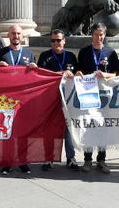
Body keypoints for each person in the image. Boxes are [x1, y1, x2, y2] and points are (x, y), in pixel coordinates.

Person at [75, 23, 119, 174]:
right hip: (88, 95)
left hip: (105, 96)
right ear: (91, 35)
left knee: (103, 128)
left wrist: (107, 75)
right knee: (88, 127)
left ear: (105, 35)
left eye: (101, 35)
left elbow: (117, 73)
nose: (99, 37)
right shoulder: (84, 52)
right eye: (96, 34)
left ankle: (102, 159)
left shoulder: (111, 52)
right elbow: (78, 69)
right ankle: (87, 159)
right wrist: (79, 73)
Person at [0, 24, 37, 174]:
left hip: (23, 100)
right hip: (6, 100)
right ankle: (7, 161)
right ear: (9, 36)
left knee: (23, 131)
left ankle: (22, 161)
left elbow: (35, 77)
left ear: (22, 36)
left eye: (18, 33)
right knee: (7, 131)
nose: (16, 36)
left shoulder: (29, 54)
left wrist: (34, 68)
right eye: (13, 33)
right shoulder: (0, 53)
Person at [37, 29, 79, 171]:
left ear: (64, 41)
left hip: (68, 98)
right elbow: (41, 75)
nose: (56, 43)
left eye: (58, 40)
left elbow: (77, 74)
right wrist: (60, 74)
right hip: (50, 98)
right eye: (53, 40)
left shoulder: (72, 56)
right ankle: (48, 158)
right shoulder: (45, 56)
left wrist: (75, 73)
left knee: (68, 127)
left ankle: (71, 158)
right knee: (50, 127)